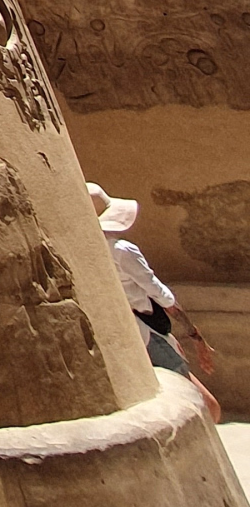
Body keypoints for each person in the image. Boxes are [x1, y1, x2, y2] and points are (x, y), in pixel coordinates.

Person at [88, 181, 222, 424]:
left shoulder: (87, 252)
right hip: (147, 334)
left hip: (123, 336)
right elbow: (162, 295)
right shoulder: (121, 250)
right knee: (206, 409)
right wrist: (195, 336)